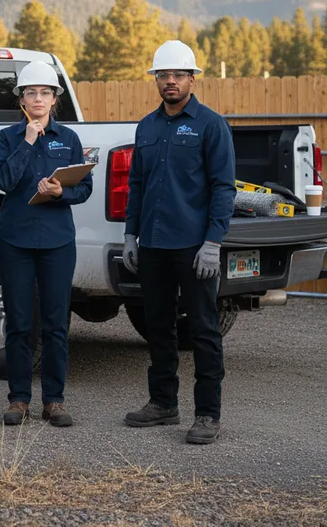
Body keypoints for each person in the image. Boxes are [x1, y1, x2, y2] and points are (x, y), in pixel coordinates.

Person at [122, 40, 236, 445]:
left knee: (203, 329)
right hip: (153, 244)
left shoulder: (211, 125)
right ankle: (163, 403)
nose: (170, 80)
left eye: (178, 75)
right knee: (158, 326)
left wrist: (213, 242)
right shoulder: (147, 127)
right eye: (163, 75)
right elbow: (137, 184)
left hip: (193, 246)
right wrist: (130, 234)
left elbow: (223, 187)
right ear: (156, 79)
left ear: (192, 79)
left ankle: (207, 414)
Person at [0, 61, 93, 427]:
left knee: (55, 324)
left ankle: (54, 400)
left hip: (57, 241)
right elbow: (4, 181)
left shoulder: (69, 138)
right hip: (15, 240)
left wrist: (61, 191)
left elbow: (84, 188)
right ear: (21, 99)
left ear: (54, 99)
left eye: (45, 93)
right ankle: (19, 398)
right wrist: (28, 141)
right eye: (31, 92)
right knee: (19, 323)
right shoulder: (8, 137)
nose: (38, 98)